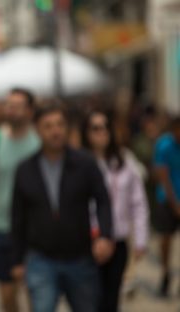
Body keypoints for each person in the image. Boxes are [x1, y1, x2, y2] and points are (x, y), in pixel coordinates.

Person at [11, 102, 114, 312]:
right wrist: (17, 260)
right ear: (37, 130)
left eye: (59, 125)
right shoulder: (25, 169)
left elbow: (103, 200)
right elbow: (18, 217)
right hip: (41, 260)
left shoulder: (85, 163)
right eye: (48, 126)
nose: (55, 131)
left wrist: (105, 235)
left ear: (67, 128)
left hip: (81, 258)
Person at [0, 88, 40, 312]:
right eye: (9, 105)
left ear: (30, 111)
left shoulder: (40, 142)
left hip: (34, 228)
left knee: (37, 290)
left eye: (17, 106)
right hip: (0, 226)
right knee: (7, 292)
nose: (11, 110)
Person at [81, 110, 149, 312]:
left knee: (110, 301)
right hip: (85, 243)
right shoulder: (77, 163)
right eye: (95, 128)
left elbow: (138, 203)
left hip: (116, 240)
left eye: (105, 128)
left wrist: (141, 238)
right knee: (87, 300)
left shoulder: (125, 162)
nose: (101, 133)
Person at [153, 116, 180, 297]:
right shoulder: (164, 145)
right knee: (166, 239)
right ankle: (165, 272)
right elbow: (163, 177)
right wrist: (175, 204)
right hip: (167, 200)